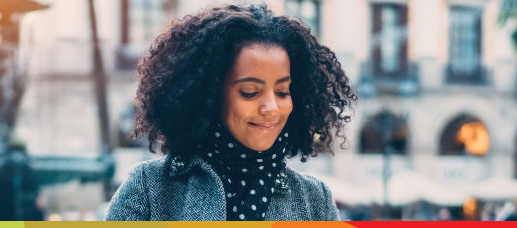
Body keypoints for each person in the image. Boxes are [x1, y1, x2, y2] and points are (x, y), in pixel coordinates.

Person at [105, 3, 355, 221]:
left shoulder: (315, 200)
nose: (272, 108)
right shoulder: (149, 188)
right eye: (249, 92)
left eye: (282, 92)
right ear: (210, 96)